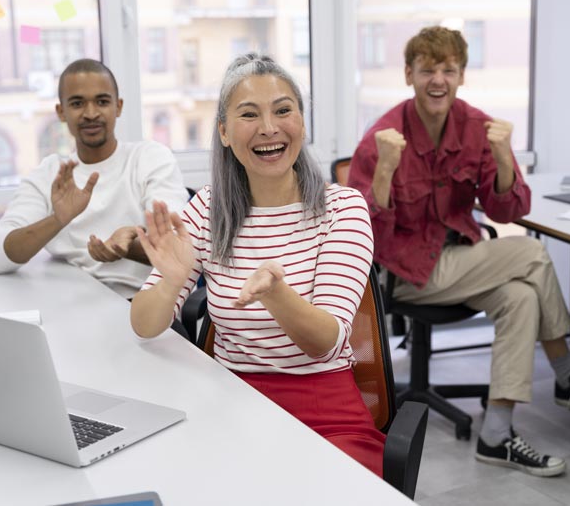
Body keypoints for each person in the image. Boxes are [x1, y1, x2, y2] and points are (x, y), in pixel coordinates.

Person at [348, 26, 570, 477]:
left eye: (448, 69)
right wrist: (385, 167)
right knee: (533, 255)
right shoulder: (383, 137)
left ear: (461, 75)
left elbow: (511, 206)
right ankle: (567, 374)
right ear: (408, 74)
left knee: (520, 298)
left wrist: (502, 157)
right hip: (407, 272)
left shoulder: (477, 126)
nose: (437, 80)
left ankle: (496, 434)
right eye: (426, 70)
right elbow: (364, 234)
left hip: (462, 260)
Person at [130, 53, 386, 476]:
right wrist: (169, 282)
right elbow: (144, 324)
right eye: (249, 114)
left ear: (301, 122)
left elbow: (325, 341)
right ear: (225, 133)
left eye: (283, 110)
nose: (269, 128)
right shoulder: (208, 209)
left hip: (326, 411)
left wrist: (277, 295)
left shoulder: (343, 208)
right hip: (230, 402)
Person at [0, 59, 188, 299]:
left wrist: (125, 249)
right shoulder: (51, 174)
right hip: (72, 307)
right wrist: (57, 220)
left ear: (118, 106)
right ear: (61, 111)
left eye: (102, 101)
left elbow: (181, 251)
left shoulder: (149, 158)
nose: (91, 114)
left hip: (141, 308)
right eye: (77, 103)